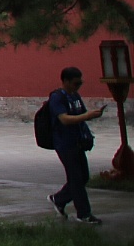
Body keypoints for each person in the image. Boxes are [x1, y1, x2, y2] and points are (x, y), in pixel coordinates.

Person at [49, 65, 106, 225]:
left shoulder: (75, 96)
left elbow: (82, 115)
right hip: (64, 144)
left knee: (83, 177)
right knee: (76, 179)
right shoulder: (57, 98)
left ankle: (59, 199)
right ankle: (84, 214)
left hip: (77, 142)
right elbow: (64, 119)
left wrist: (92, 115)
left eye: (80, 83)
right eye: (76, 83)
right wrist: (87, 116)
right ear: (65, 81)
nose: (78, 86)